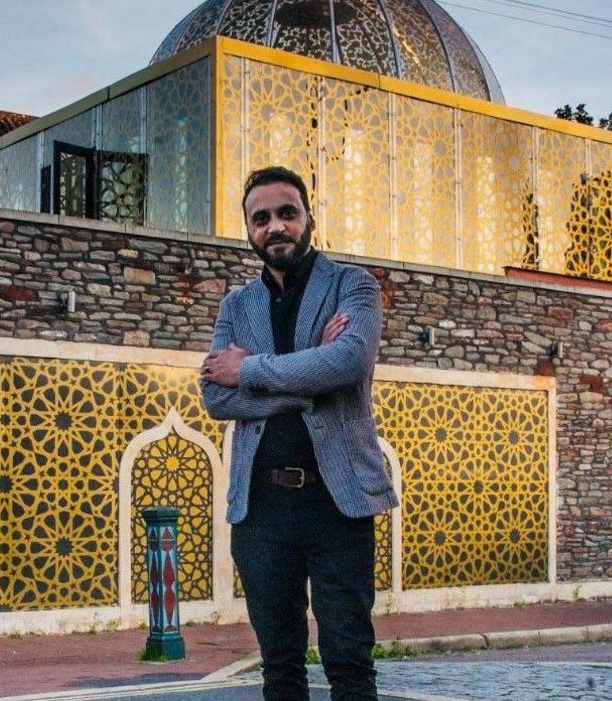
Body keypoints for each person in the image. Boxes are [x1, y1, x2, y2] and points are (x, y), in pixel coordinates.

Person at [200, 165, 397, 701]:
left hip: (338, 503)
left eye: (286, 213)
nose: (275, 227)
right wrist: (311, 374)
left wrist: (251, 370)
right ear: (248, 229)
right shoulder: (235, 305)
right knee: (279, 666)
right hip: (262, 509)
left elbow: (350, 362)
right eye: (260, 218)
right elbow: (215, 395)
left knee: (349, 661)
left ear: (308, 217)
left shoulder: (351, 285)